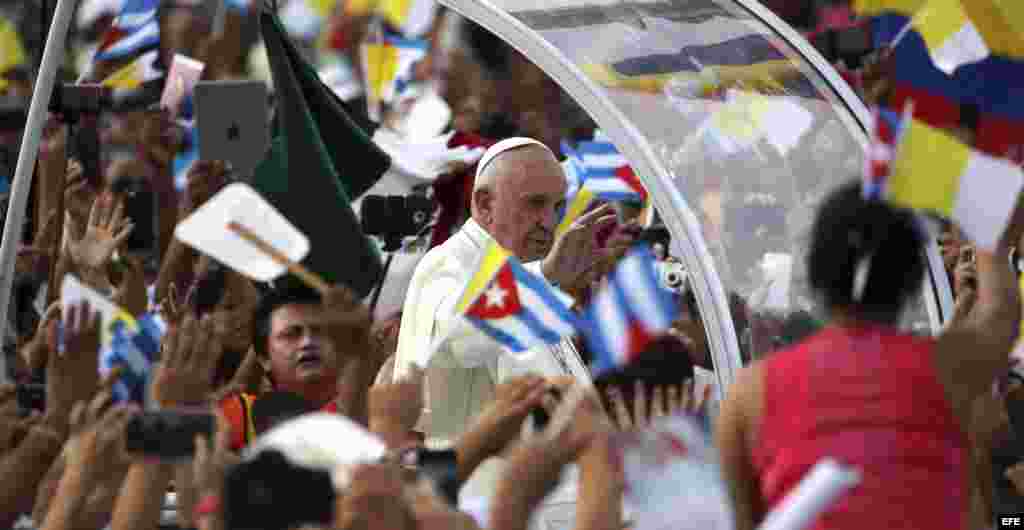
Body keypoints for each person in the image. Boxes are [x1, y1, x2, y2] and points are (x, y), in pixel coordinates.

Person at [716, 181, 1023, 530]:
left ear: (814, 274)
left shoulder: (749, 394)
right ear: (913, 277)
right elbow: (1000, 310)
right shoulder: (949, 369)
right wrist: (989, 214)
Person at [393, 137, 619, 525]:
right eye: (535, 204)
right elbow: (462, 340)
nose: (549, 222)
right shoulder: (447, 264)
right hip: (478, 504)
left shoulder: (524, 273)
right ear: (484, 204)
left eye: (556, 207)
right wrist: (546, 276)